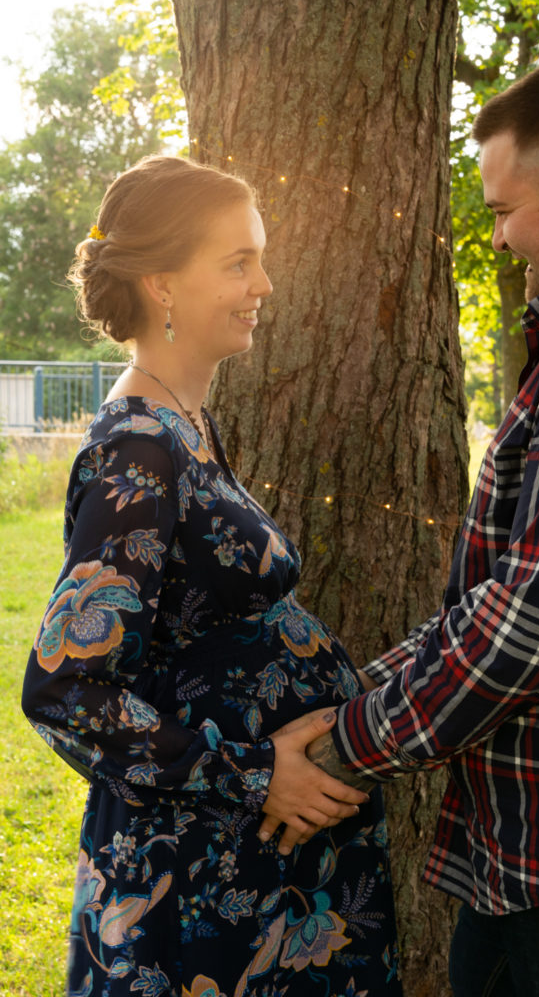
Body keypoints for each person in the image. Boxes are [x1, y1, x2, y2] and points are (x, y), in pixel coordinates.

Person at [260, 60, 539, 995]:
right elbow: (510, 592)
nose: (495, 237)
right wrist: (355, 693)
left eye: (502, 210)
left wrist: (342, 747)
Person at [22, 154, 403, 997]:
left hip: (255, 864)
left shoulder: (185, 423)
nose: (262, 284)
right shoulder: (139, 449)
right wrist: (254, 773)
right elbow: (66, 688)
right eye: (238, 263)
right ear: (161, 283)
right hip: (201, 874)